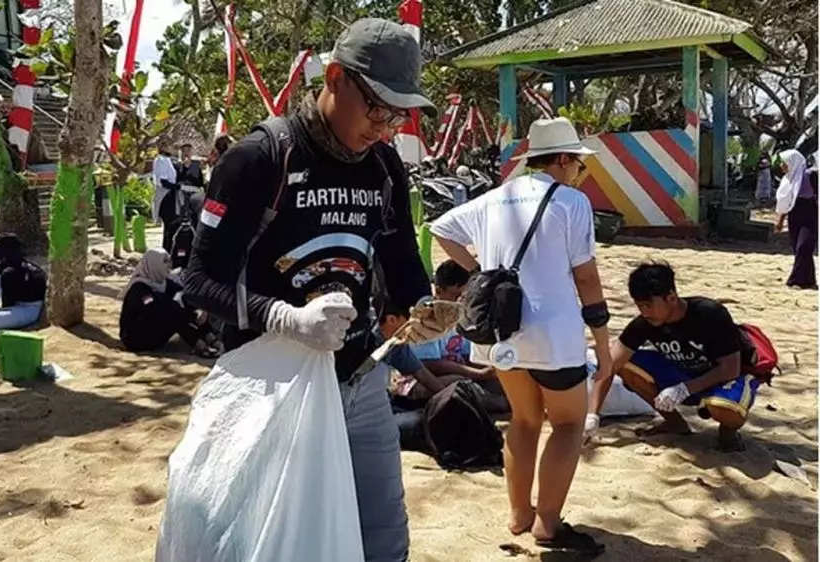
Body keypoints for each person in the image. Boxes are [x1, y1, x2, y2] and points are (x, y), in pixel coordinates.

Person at [181, 18, 443, 560]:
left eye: (398, 114)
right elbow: (199, 281)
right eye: (377, 108)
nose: (385, 127)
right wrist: (285, 318)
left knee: (383, 538)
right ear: (336, 78)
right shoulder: (258, 159)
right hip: (272, 385)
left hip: (362, 380)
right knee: (276, 537)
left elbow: (400, 263)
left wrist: (423, 307)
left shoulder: (384, 166)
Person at [431, 117, 610, 555]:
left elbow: (440, 229)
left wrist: (483, 274)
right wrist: (603, 345)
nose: (577, 171)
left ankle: (518, 514)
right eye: (577, 163)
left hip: (503, 333)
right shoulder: (571, 202)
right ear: (565, 159)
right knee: (567, 424)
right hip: (555, 334)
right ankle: (547, 524)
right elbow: (586, 279)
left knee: (524, 420)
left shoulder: (494, 197)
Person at [585, 262, 758, 452]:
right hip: (683, 373)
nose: (644, 311)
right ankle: (675, 423)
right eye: (639, 305)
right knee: (624, 365)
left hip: (724, 378)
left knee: (723, 407)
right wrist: (592, 415)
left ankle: (728, 432)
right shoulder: (644, 323)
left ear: (671, 298)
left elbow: (730, 368)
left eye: (649, 305)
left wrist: (684, 389)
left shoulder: (709, 314)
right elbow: (609, 365)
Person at [119, 249, 219, 357]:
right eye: (164, 262)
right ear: (154, 264)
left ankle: (210, 337)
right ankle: (199, 346)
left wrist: (199, 309)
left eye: (169, 261)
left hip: (156, 335)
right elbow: (151, 305)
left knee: (180, 301)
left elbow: (185, 295)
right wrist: (192, 316)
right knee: (168, 308)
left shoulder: (163, 283)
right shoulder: (139, 289)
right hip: (136, 339)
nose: (169, 265)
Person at [0, 233, 46, 333]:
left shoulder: (9, 272)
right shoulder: (16, 263)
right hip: (19, 300)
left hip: (28, 309)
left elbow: (8, 304)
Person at [774, 149, 817, 290]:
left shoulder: (811, 176)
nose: (782, 166)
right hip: (795, 215)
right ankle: (809, 280)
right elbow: (785, 203)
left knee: (804, 246)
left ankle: (796, 280)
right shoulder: (787, 180)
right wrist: (780, 221)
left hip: (811, 214)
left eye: (784, 163)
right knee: (798, 249)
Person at [152, 141, 178, 233]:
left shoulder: (168, 160)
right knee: (169, 223)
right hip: (165, 194)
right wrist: (177, 187)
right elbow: (164, 181)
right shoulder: (161, 160)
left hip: (169, 192)